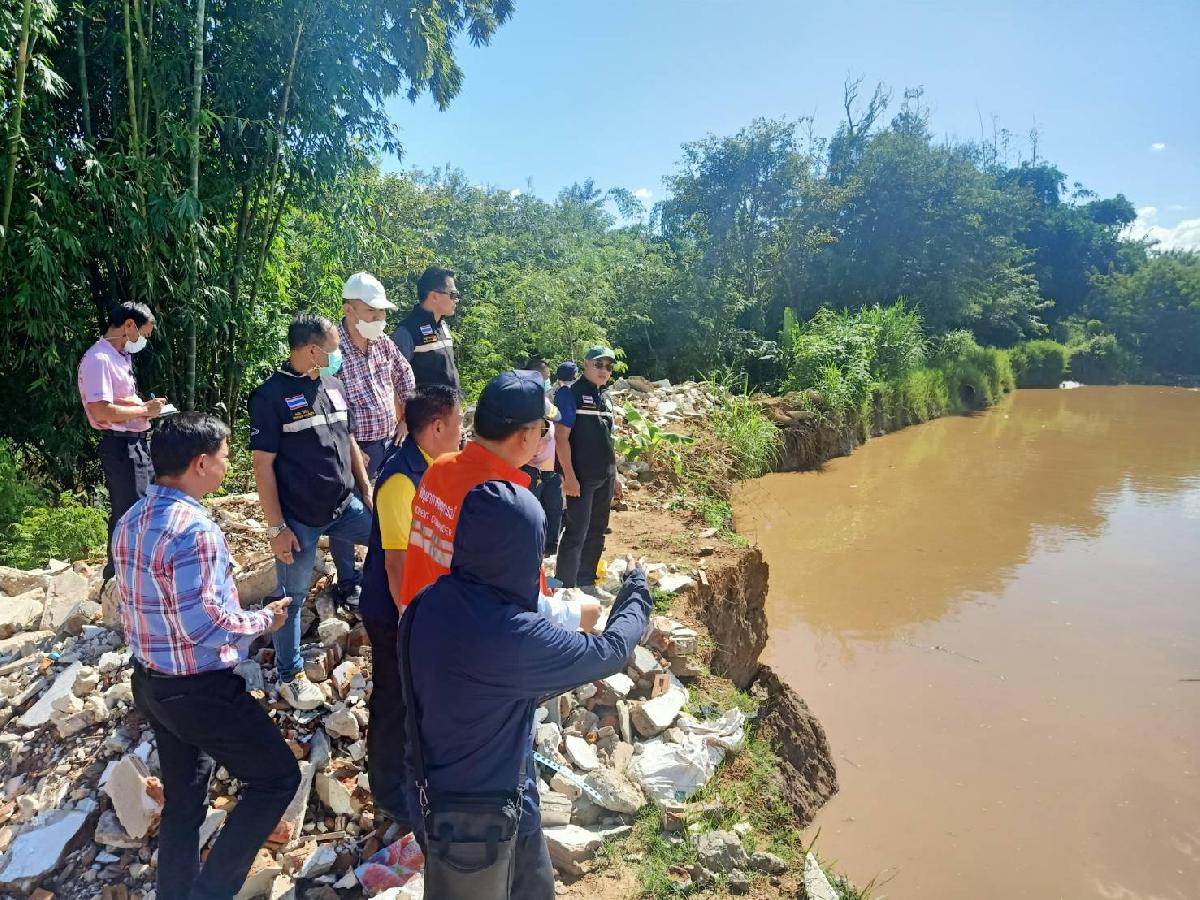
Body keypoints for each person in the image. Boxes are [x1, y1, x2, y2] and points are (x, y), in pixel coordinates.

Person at [398, 480, 652, 899]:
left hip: (434, 796)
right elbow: (610, 652)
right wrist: (636, 591)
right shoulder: (511, 634)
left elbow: (465, 689)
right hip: (487, 815)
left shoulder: (427, 603)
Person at [113, 413, 298, 900]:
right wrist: (264, 620)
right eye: (224, 456)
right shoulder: (194, 530)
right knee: (277, 779)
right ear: (200, 464)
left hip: (151, 684)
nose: (227, 464)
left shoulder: (131, 519)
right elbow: (205, 626)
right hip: (199, 691)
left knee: (185, 801)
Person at [249, 313, 373, 710]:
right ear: (312, 349)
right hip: (299, 518)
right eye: (333, 348)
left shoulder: (333, 385)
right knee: (292, 596)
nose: (338, 355)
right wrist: (276, 528)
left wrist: (366, 491)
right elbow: (263, 466)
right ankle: (290, 674)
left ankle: (384, 610)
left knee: (389, 540)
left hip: (345, 506)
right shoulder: (270, 396)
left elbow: (349, 440)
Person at [359, 384, 463, 820]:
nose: (462, 432)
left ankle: (417, 778)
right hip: (396, 609)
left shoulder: (433, 467)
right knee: (394, 697)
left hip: (423, 605)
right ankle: (389, 793)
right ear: (436, 427)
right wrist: (412, 624)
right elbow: (398, 564)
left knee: (417, 699)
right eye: (458, 424)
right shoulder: (402, 479)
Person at [77, 301, 167, 584]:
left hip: (136, 442)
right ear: (129, 325)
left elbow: (120, 402)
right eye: (143, 333)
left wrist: (146, 408)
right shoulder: (99, 359)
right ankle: (117, 578)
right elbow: (101, 410)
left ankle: (134, 574)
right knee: (128, 511)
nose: (143, 340)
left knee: (142, 507)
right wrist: (144, 410)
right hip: (120, 445)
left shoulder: (120, 357)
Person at [554, 346, 621, 593]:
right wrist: (569, 476)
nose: (604, 370)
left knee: (597, 530)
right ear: (585, 364)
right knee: (576, 532)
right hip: (581, 477)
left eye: (609, 366)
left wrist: (616, 476)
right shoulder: (570, 394)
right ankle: (565, 587)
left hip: (605, 474)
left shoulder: (605, 398)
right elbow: (561, 438)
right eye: (598, 364)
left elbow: (608, 439)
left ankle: (586, 582)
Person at [337, 272, 417, 477]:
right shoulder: (332, 350)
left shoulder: (382, 341)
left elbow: (404, 373)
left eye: (382, 310)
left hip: (391, 441)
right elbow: (328, 405)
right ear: (349, 310)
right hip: (357, 449)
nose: (379, 317)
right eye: (371, 310)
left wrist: (407, 418)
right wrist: (351, 447)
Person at [520, 358, 564, 556]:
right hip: (530, 466)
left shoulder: (540, 400)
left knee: (554, 508)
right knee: (533, 510)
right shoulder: (529, 399)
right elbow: (558, 415)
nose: (547, 382)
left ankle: (550, 547)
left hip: (548, 466)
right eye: (545, 378)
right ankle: (533, 548)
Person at [392, 265, 461, 393]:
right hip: (422, 406)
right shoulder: (406, 332)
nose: (456, 299)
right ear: (434, 296)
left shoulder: (443, 325)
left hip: (450, 404)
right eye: (452, 294)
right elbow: (394, 382)